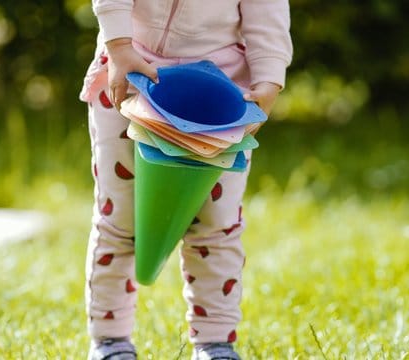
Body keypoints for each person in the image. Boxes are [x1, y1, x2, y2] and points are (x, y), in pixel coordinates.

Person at [78, 1, 292, 359]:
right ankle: (110, 340)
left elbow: (267, 7)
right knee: (118, 218)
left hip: (220, 96)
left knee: (216, 226)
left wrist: (269, 75)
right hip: (130, 73)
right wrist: (117, 45)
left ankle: (215, 343)